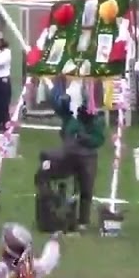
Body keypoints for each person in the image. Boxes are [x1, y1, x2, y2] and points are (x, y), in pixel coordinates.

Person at [49, 79, 104, 228]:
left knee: (86, 188)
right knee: (66, 186)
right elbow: (58, 108)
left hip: (88, 157)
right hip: (70, 155)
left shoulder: (96, 122)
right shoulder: (71, 118)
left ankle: (83, 220)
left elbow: (99, 140)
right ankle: (66, 217)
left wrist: (86, 138)